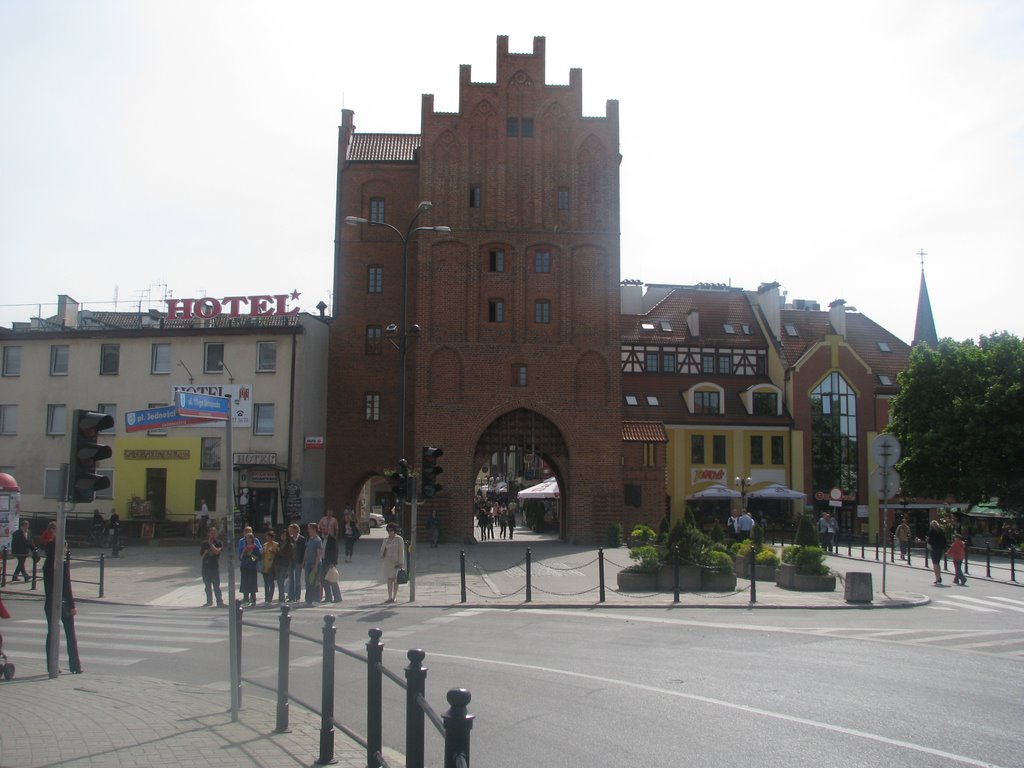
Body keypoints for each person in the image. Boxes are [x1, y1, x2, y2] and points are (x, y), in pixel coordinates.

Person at [42, 535, 82, 674]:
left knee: (52, 634)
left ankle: (51, 665)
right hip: (63, 603)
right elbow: (67, 586)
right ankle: (75, 665)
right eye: (65, 546)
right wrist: (72, 605)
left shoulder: (47, 563)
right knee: (70, 634)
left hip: (49, 603)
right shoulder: (62, 564)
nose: (67, 549)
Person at [380, 523, 406, 603]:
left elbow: (401, 551)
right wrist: (382, 555)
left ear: (394, 531)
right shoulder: (386, 539)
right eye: (388, 530)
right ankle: (389, 597)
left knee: (395, 580)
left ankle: (394, 597)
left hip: (396, 562)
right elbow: (382, 550)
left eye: (391, 530)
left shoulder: (399, 539)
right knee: (389, 579)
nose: (389, 532)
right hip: (387, 562)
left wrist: (401, 562)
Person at [200, 526, 225, 607]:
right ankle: (209, 601)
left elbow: (217, 552)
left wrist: (211, 544)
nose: (213, 535)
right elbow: (201, 556)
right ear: (208, 534)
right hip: (205, 568)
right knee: (207, 586)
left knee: (216, 586)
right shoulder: (204, 543)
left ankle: (219, 601)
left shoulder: (219, 542)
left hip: (214, 567)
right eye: (212, 533)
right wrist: (205, 552)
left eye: (215, 533)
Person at [237, 528, 262, 606]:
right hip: (244, 566)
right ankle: (245, 598)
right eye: (246, 538)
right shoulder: (244, 546)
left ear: (252, 539)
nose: (247, 540)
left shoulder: (255, 547)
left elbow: (257, 558)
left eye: (249, 538)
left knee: (252, 582)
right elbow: (240, 557)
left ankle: (253, 598)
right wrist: (244, 552)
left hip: (252, 567)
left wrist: (250, 554)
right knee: (244, 582)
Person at [303, 522, 323, 606]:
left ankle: (316, 599)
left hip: (315, 564)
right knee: (308, 582)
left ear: (314, 529)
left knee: (315, 582)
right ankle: (308, 600)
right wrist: (304, 561)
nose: (308, 530)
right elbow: (306, 550)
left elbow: (319, 554)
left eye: (310, 528)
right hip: (308, 563)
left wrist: (315, 565)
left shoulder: (318, 540)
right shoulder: (309, 539)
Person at [321, 525, 341, 603]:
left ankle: (337, 597)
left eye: (325, 529)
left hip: (329, 562)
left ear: (328, 530)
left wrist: (333, 562)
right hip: (323, 561)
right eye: (322, 529)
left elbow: (335, 551)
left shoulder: (332, 539)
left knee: (332, 580)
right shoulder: (321, 539)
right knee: (324, 580)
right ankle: (328, 597)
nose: (323, 531)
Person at [288, 523, 306, 602]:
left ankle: (297, 596)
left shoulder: (302, 539)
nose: (289, 531)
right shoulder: (289, 539)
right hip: (290, 561)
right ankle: (291, 596)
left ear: (295, 530)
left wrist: (303, 562)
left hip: (298, 561)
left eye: (291, 530)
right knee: (291, 579)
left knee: (297, 579)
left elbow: (304, 551)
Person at [274, 528, 292, 604]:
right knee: (278, 581)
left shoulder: (289, 545)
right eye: (282, 535)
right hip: (277, 564)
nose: (283, 537)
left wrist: (279, 551)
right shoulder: (278, 544)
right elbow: (276, 553)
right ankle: (280, 596)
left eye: (284, 535)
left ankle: (282, 598)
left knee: (281, 581)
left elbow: (286, 554)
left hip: (284, 564)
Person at [926, 519, 947, 585]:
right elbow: (944, 540)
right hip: (940, 548)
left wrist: (929, 546)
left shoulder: (932, 531)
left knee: (935, 564)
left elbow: (929, 541)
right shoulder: (941, 531)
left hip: (934, 548)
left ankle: (937, 578)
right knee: (938, 563)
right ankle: (939, 577)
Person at [261, 530, 279, 604]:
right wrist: (262, 553)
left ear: (272, 537)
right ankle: (266, 598)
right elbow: (262, 555)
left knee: (271, 582)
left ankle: (270, 598)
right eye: (267, 537)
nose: (268, 538)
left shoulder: (276, 545)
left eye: (269, 537)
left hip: (272, 565)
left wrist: (274, 552)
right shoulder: (265, 545)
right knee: (266, 583)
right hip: (265, 565)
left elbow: (278, 554)